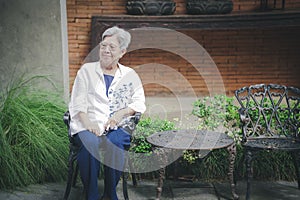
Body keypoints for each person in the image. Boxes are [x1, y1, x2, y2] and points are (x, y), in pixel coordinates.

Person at [68, 26, 146, 200]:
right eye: (103, 45)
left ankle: (110, 194)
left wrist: (120, 115)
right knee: (90, 145)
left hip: (117, 125)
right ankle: (92, 195)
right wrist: (89, 124)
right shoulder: (86, 71)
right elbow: (77, 103)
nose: (106, 50)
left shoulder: (130, 74)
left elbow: (139, 102)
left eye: (112, 47)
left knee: (116, 142)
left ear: (122, 52)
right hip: (87, 123)